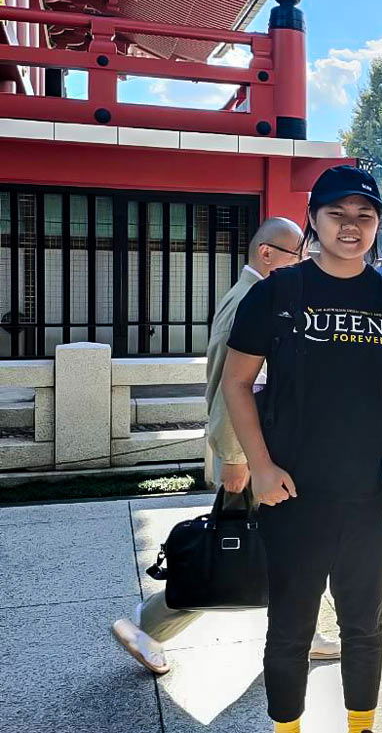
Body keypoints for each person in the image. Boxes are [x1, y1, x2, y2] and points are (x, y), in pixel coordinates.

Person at [221, 165, 382, 733]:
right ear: (314, 220)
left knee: (365, 623)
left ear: (377, 226)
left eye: (364, 216)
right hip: (292, 491)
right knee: (290, 626)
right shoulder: (278, 293)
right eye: (337, 214)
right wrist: (259, 468)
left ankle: (360, 725)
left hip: (369, 493)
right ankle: (287, 726)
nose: (350, 226)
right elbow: (236, 383)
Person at [110, 218, 340, 675]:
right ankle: (148, 624)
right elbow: (234, 386)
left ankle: (301, 632)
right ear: (268, 254)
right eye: (297, 255)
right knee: (232, 549)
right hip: (255, 456)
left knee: (284, 547)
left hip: (262, 453)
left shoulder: (252, 295)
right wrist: (236, 458)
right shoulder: (253, 300)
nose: (303, 264)